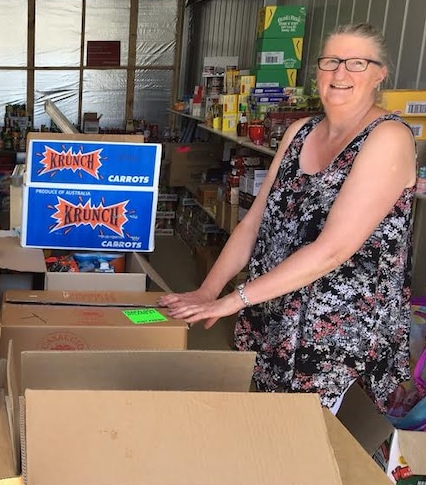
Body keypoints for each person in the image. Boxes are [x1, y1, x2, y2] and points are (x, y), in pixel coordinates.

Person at [160, 23, 417, 413]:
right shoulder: (300, 131)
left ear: (380, 74)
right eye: (331, 61)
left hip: (339, 338)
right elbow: (252, 224)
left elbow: (333, 251)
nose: (341, 73)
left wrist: (235, 299)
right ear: (317, 71)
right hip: (276, 316)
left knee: (324, 452)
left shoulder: (388, 137)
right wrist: (208, 291)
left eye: (357, 63)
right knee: (274, 434)